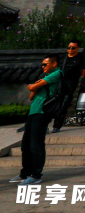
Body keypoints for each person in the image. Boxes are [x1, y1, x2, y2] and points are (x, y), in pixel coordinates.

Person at [11, 54, 63, 185]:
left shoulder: (57, 73)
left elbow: (32, 88)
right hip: (33, 112)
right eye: (42, 64)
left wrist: (34, 86)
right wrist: (34, 86)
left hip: (42, 113)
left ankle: (36, 175)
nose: (43, 66)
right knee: (26, 145)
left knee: (36, 145)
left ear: (54, 64)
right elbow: (31, 96)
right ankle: (25, 173)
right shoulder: (46, 77)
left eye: (45, 64)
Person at [51, 39, 85, 133]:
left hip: (71, 84)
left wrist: (76, 77)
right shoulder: (63, 58)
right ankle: (52, 122)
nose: (70, 49)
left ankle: (57, 126)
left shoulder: (81, 58)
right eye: (69, 47)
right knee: (57, 104)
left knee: (65, 104)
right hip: (60, 83)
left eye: (73, 48)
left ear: (78, 48)